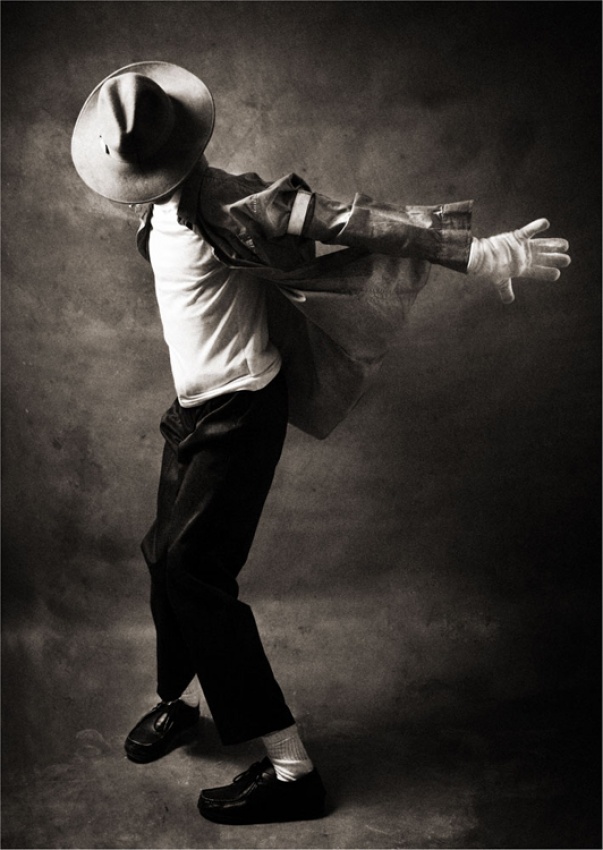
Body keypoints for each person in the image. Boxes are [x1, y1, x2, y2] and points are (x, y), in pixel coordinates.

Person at [71, 61, 571, 826]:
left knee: (194, 573)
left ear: (178, 149)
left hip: (239, 414)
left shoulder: (229, 200)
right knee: (161, 557)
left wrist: (476, 253)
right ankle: (183, 700)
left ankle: (291, 770)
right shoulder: (160, 211)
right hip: (192, 412)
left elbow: (348, 220)